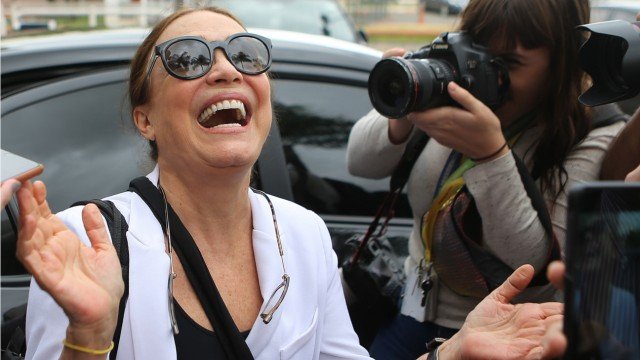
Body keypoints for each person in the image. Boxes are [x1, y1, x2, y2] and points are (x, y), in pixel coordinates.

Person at [16, 6, 567, 360]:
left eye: (246, 55)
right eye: (187, 59)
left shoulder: (303, 234)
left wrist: (454, 352)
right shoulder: (87, 243)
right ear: (146, 118)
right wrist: (87, 338)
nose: (227, 70)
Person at [346, 0, 626, 358]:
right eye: (478, 53)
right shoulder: (452, 89)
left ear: (561, 65)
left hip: (504, 335)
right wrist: (403, 110)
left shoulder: (594, 132)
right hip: (409, 313)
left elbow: (536, 264)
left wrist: (491, 155)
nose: (484, 74)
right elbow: (359, 162)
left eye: (508, 64)